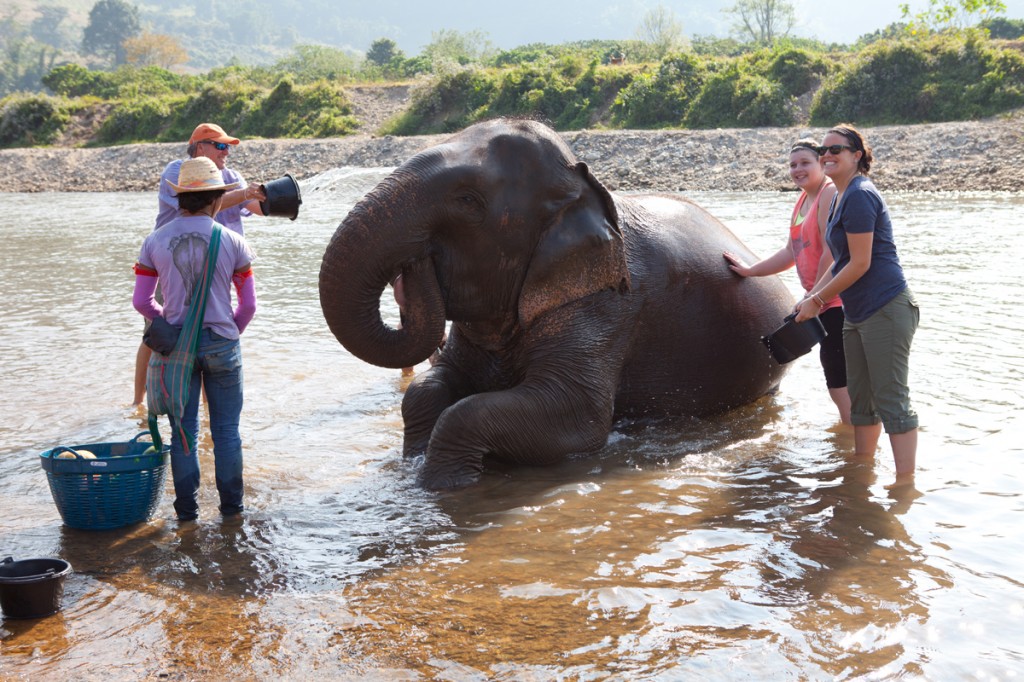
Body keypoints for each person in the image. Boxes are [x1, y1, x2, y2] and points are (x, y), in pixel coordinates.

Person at [133, 156, 258, 521]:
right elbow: (248, 304)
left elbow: (142, 301)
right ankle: (232, 511)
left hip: (176, 349)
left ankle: (186, 514)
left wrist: (168, 325)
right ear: (217, 199)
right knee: (226, 432)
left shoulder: (154, 241)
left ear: (179, 198)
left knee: (183, 432)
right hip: (223, 345)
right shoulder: (234, 241)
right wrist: (230, 331)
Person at [793, 124, 920, 483]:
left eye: (837, 149)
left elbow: (860, 262)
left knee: (891, 398)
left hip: (886, 307)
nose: (828, 155)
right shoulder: (842, 196)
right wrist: (812, 296)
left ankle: (904, 487)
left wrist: (817, 301)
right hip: (856, 312)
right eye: (824, 150)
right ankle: (861, 473)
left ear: (856, 156)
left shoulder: (861, 194)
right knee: (861, 400)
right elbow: (838, 258)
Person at [132, 123, 266, 407]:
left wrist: (272, 196)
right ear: (200, 147)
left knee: (209, 340)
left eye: (228, 147)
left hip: (217, 267)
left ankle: (206, 412)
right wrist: (244, 194)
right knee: (156, 333)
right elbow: (207, 200)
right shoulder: (178, 171)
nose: (226, 152)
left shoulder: (231, 176)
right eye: (220, 146)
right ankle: (138, 402)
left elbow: (255, 207)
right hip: (172, 266)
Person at [724, 139, 851, 425]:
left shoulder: (827, 194)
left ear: (821, 164)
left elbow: (832, 253)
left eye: (805, 163)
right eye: (793, 165)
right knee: (835, 376)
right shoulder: (802, 200)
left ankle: (858, 446)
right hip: (821, 300)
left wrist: (814, 297)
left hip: (838, 300)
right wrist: (751, 270)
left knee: (839, 379)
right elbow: (791, 252)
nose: (797, 170)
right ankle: (853, 444)